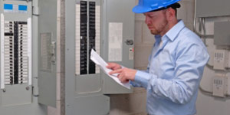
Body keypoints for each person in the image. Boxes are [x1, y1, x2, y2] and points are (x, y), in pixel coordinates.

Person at [107, 0, 210, 115]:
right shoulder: (160, 40)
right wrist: (125, 72)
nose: (146, 21)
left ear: (170, 14)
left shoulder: (189, 44)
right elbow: (152, 76)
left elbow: (182, 93)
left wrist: (136, 75)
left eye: (151, 16)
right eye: (145, 16)